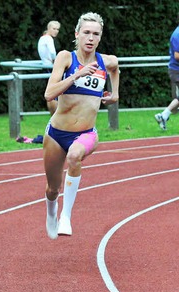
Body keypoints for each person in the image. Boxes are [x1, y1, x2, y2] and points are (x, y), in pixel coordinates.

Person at [42, 12, 119, 239]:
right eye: (86, 32)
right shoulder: (66, 58)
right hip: (56, 134)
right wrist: (76, 76)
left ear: (100, 37)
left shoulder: (106, 61)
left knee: (75, 156)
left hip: (86, 133)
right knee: (52, 188)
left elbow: (116, 67)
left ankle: (66, 216)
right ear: (77, 34)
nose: (91, 38)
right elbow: (49, 94)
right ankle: (52, 211)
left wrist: (114, 95)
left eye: (96, 34)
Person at [154, 17, 179, 131]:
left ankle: (164, 115)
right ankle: (164, 115)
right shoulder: (177, 34)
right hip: (177, 70)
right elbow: (177, 55)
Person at [38, 20, 61, 115]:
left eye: (57, 29)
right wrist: (56, 61)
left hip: (46, 65)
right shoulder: (48, 39)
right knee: (54, 91)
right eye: (54, 28)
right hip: (50, 66)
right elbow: (52, 52)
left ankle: (55, 114)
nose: (56, 31)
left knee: (51, 90)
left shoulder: (42, 38)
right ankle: (55, 114)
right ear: (48, 28)